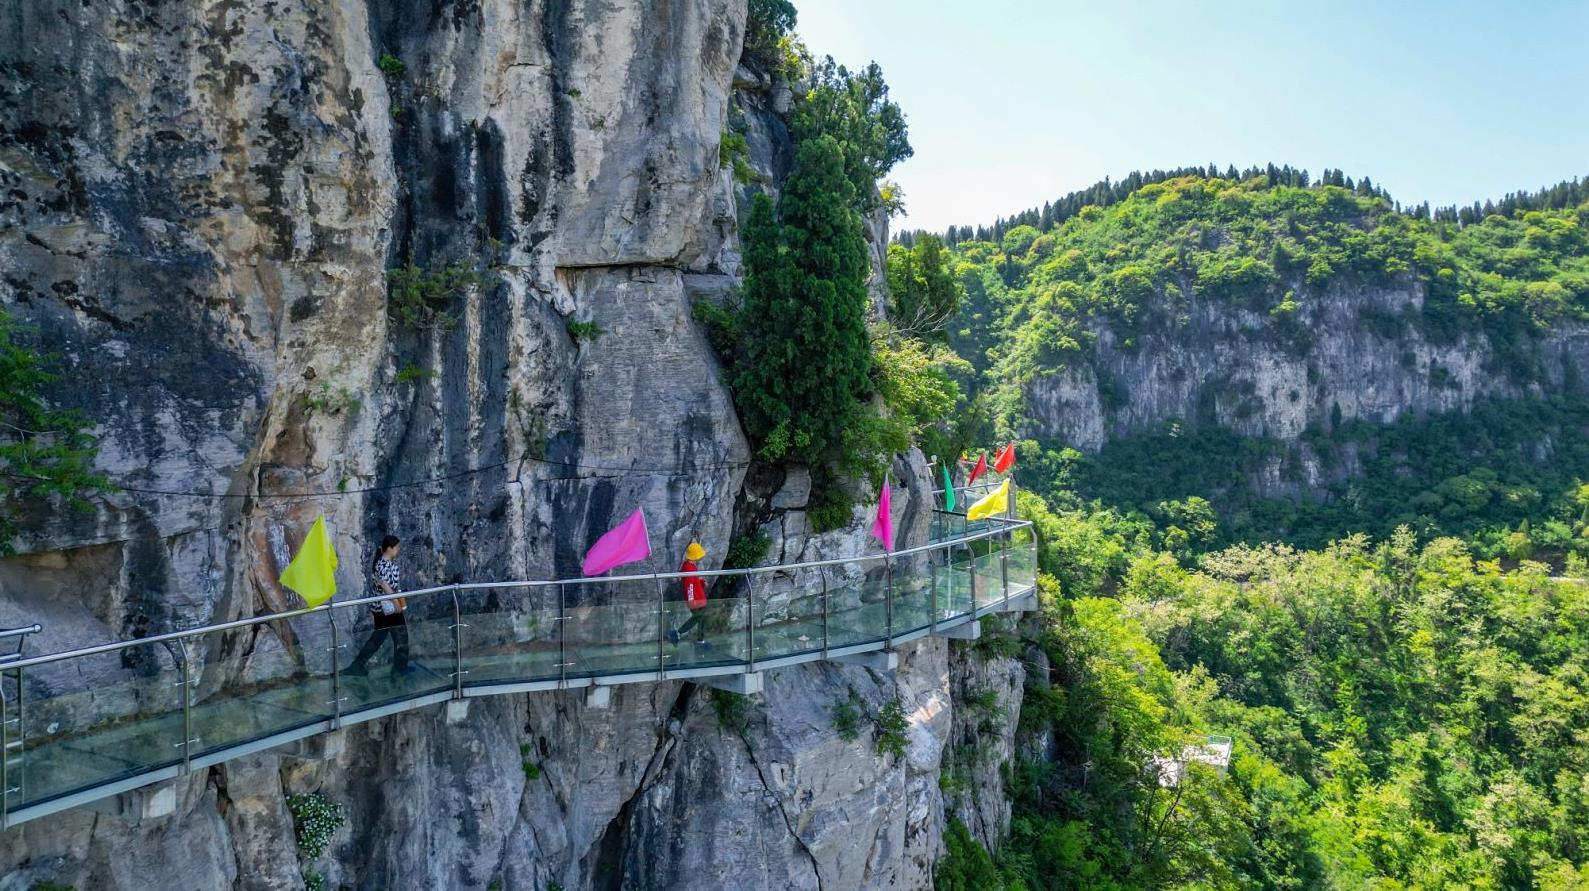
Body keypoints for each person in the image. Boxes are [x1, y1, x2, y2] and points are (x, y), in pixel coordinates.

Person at [347, 534, 412, 676]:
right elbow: (386, 586)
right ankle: (399, 670)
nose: (398, 549)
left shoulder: (382, 564)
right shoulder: (381, 565)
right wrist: (396, 604)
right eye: (397, 547)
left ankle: (357, 665)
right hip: (388, 609)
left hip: (381, 609)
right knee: (401, 637)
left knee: (378, 637)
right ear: (389, 548)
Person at [668, 542, 711, 647]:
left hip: (698, 598)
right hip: (696, 600)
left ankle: (700, 640)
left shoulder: (690, 566)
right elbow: (689, 585)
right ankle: (678, 633)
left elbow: (692, 583)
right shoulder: (688, 567)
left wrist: (701, 582)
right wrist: (691, 600)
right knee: (698, 617)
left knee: (701, 618)